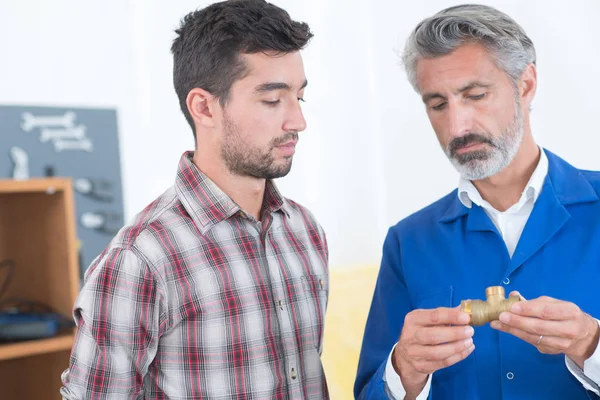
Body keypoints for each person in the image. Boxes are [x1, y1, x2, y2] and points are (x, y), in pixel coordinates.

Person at [60, 1, 329, 398]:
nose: (298, 122)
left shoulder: (305, 232)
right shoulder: (140, 259)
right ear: (204, 107)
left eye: (299, 98)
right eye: (273, 100)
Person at [354, 4, 600, 399]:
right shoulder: (408, 242)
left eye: (475, 95)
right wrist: (404, 372)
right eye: (437, 104)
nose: (457, 126)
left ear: (526, 84)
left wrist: (592, 344)